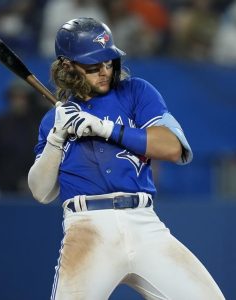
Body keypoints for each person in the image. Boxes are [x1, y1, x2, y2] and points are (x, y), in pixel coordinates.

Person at [28, 17, 224, 299]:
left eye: (109, 61)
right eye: (93, 65)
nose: (105, 71)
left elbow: (173, 147)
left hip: (144, 224)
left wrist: (104, 128)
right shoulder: (54, 121)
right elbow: (41, 192)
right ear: (67, 65)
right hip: (88, 229)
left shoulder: (135, 91)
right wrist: (56, 138)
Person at [0, 79, 48, 195]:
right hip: (5, 188)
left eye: (22, 98)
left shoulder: (40, 124)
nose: (18, 102)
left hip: (38, 188)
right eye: (14, 97)